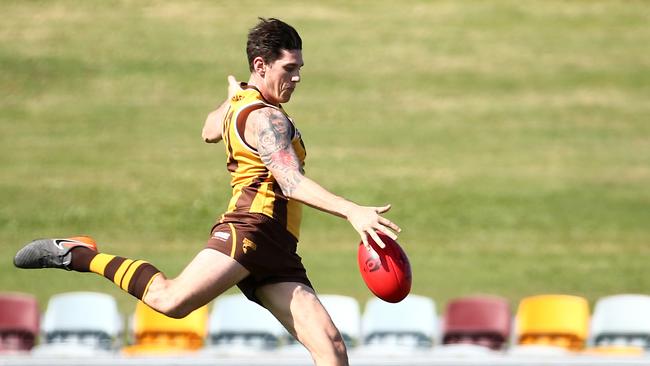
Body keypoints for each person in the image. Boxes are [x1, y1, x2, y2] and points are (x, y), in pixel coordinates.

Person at [14, 18, 400, 365]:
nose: (297, 77)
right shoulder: (266, 117)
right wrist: (351, 210)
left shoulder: (242, 103)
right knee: (171, 300)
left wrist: (236, 95)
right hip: (250, 229)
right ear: (261, 66)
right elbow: (290, 181)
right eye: (289, 68)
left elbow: (209, 130)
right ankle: (80, 254)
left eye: (300, 68)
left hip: (278, 247)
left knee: (330, 348)